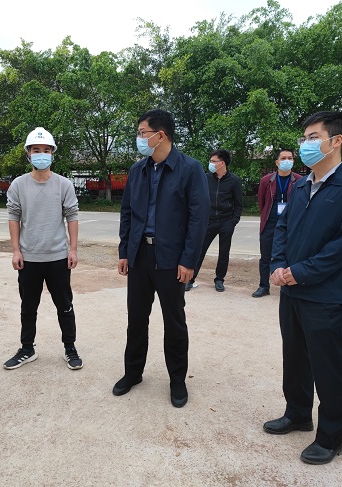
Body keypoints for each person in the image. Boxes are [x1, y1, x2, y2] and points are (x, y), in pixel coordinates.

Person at [263, 111, 342, 465]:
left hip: (328, 295)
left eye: (313, 138)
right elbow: (282, 229)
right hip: (292, 290)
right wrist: (278, 265)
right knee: (295, 358)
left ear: (336, 140)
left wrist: (301, 272)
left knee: (331, 367)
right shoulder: (300, 186)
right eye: (304, 138)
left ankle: (331, 438)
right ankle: (298, 414)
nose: (305, 145)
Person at [114, 109, 209, 408]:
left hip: (172, 259)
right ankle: (133, 373)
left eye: (143, 133)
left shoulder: (190, 169)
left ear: (161, 135)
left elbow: (198, 219)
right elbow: (127, 213)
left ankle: (177, 380)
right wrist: (124, 252)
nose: (139, 138)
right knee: (136, 318)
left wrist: (189, 261)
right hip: (140, 256)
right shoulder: (137, 170)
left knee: (174, 321)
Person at [3, 127, 83, 371]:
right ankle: (27, 349)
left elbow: (72, 216)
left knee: (65, 305)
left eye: (46, 150)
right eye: (36, 150)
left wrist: (73, 249)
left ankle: (70, 348)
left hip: (58, 256)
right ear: (28, 154)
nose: (41, 154)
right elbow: (14, 217)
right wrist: (16, 250)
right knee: (28, 307)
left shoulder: (63, 184)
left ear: (52, 153)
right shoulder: (18, 185)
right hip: (29, 257)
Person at [185, 149, 242, 292]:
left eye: (213, 161)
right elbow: (198, 199)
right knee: (199, 250)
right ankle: (190, 279)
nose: (210, 163)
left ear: (222, 163)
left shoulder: (234, 181)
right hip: (208, 221)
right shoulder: (205, 178)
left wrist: (233, 221)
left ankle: (219, 280)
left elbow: (238, 204)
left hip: (226, 221)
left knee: (224, 253)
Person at [252, 149, 302, 298]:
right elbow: (262, 202)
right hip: (270, 223)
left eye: (290, 158)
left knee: (290, 256)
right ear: (277, 162)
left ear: (293, 161)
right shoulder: (266, 180)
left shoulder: (299, 180)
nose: (287, 161)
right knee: (265, 257)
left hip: (290, 225)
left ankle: (287, 286)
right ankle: (263, 286)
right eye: (283, 158)